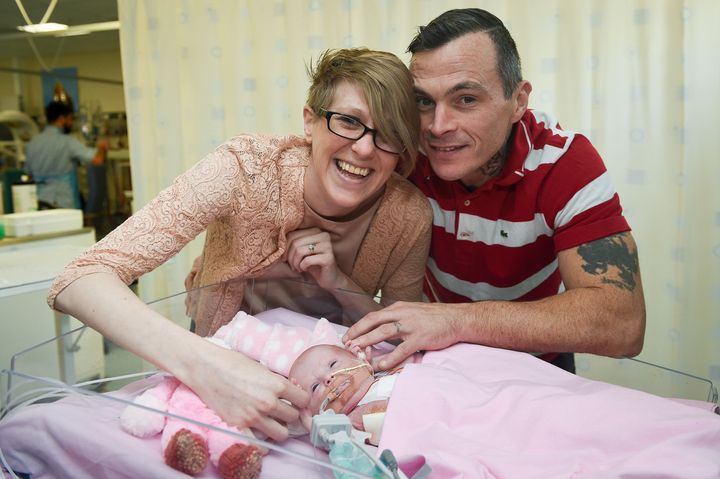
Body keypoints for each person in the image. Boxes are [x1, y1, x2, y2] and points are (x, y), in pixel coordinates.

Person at [47, 47, 432, 443]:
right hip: (223, 351)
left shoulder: (407, 214)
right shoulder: (244, 169)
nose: (365, 149)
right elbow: (78, 280)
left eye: (387, 134)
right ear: (310, 122)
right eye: (348, 122)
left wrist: (338, 280)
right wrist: (208, 367)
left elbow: (401, 335)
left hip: (328, 390)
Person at [344, 8, 646, 374]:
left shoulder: (565, 163)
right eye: (424, 101)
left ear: (518, 101)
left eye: (466, 99)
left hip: (536, 365)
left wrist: (456, 321)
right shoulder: (405, 153)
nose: (438, 127)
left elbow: (623, 323)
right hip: (434, 362)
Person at [288, 343, 420, 445]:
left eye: (333, 364)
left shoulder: (387, 373)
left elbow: (417, 360)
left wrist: (372, 365)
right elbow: (336, 444)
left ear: (360, 359)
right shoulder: (347, 426)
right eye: (315, 387)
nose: (327, 378)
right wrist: (310, 423)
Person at [24, 100, 108, 209]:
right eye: (70, 119)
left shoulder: (32, 143)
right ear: (61, 119)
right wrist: (102, 147)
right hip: (63, 202)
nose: (71, 122)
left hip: (40, 202)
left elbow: (28, 173)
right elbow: (97, 160)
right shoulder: (67, 142)